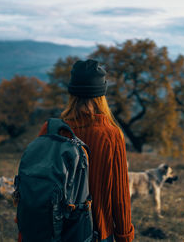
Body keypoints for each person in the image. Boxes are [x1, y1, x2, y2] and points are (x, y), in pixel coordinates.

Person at [37, 59, 134, 242]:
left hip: (52, 230)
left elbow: (37, 181)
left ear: (72, 91)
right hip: (96, 232)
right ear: (101, 95)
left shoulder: (51, 129)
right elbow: (120, 197)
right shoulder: (112, 135)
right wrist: (125, 237)